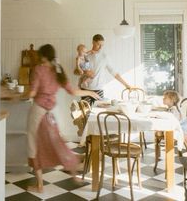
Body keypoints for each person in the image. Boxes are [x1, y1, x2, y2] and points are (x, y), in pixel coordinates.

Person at [26, 44, 99, 193]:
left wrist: (20, 96)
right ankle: (73, 173)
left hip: (37, 112)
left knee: (33, 145)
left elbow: (32, 94)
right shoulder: (57, 70)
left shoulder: (38, 70)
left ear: (43, 56)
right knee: (57, 143)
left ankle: (39, 185)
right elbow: (72, 91)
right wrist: (90, 93)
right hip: (49, 114)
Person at [80, 34, 131, 105]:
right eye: (98, 44)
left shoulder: (105, 57)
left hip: (98, 90)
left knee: (98, 112)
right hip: (85, 89)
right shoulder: (85, 56)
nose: (100, 47)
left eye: (102, 45)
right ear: (93, 42)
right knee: (85, 114)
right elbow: (78, 71)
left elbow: (114, 73)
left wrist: (126, 85)